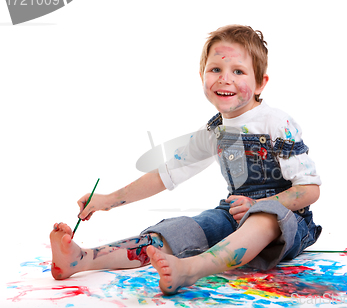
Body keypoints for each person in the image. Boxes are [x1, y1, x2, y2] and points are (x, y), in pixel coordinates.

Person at [50, 25, 322, 295]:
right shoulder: (214, 132)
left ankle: (190, 269)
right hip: (234, 213)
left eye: (238, 71)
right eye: (215, 69)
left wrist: (261, 204)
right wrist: (107, 200)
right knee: (181, 230)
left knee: (264, 218)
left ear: (261, 82)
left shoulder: (277, 123)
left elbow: (310, 190)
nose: (224, 79)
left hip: (289, 222)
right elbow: (164, 175)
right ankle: (81, 259)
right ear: (202, 75)